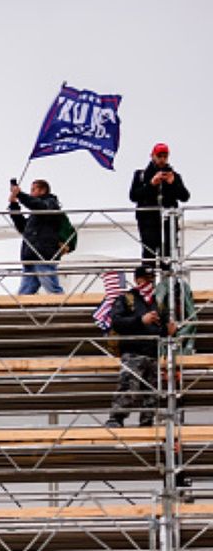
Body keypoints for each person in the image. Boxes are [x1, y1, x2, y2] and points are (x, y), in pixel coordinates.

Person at [106, 267, 176, 428]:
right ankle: (116, 419)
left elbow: (162, 328)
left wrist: (168, 330)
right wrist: (140, 320)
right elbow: (116, 322)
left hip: (152, 352)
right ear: (138, 279)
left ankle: (147, 421)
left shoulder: (157, 303)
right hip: (133, 352)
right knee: (128, 387)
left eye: (151, 278)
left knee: (151, 393)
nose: (149, 281)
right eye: (146, 278)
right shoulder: (126, 299)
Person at [130, 143, 190, 266]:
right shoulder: (141, 175)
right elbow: (133, 196)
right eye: (159, 156)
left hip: (169, 223)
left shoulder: (174, 176)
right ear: (152, 156)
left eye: (165, 156)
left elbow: (185, 196)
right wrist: (151, 184)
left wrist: (172, 183)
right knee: (149, 256)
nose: (162, 159)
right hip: (148, 223)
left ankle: (168, 282)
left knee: (169, 256)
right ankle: (148, 282)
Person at [7, 179, 65, 295]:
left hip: (42, 255)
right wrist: (14, 205)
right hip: (32, 255)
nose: (31, 193)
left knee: (52, 288)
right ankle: (22, 311)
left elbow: (37, 205)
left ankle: (63, 307)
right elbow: (23, 227)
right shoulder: (36, 214)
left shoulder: (50, 204)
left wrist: (19, 194)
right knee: (25, 293)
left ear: (43, 190)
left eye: (33, 190)